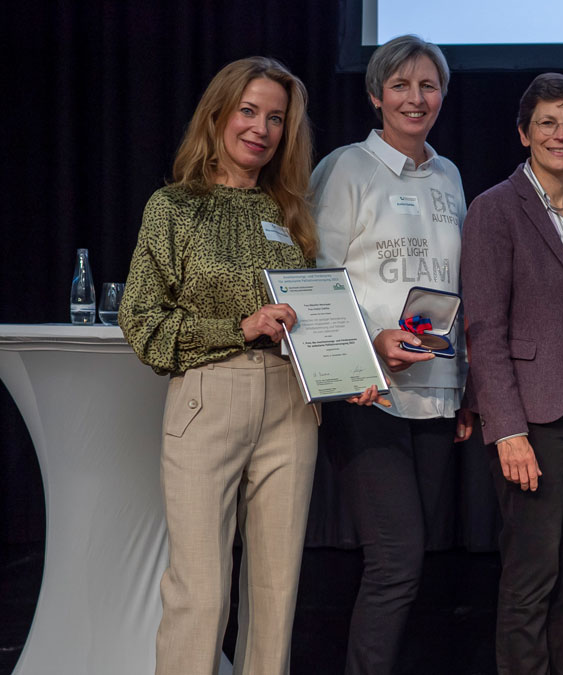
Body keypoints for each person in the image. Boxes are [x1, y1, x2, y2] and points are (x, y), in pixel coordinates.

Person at [119, 57, 376, 675]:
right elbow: (142, 321)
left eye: (276, 119)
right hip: (210, 397)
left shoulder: (291, 213)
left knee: (276, 595)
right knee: (201, 594)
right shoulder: (174, 207)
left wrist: (345, 369)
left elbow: (312, 315)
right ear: (219, 113)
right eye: (249, 111)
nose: (261, 128)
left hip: (291, 403)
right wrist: (239, 327)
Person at [309, 34, 472, 675]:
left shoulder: (451, 174)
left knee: (408, 559)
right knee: (396, 559)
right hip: (367, 392)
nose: (415, 97)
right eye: (400, 85)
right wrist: (362, 351)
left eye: (428, 85)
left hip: (433, 393)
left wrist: (461, 389)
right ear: (376, 94)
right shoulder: (347, 168)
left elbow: (454, 287)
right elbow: (318, 280)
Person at [461, 73, 563, 675]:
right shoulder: (495, 209)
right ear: (524, 132)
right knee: (532, 573)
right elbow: (484, 330)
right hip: (533, 417)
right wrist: (508, 429)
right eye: (547, 122)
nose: (560, 135)